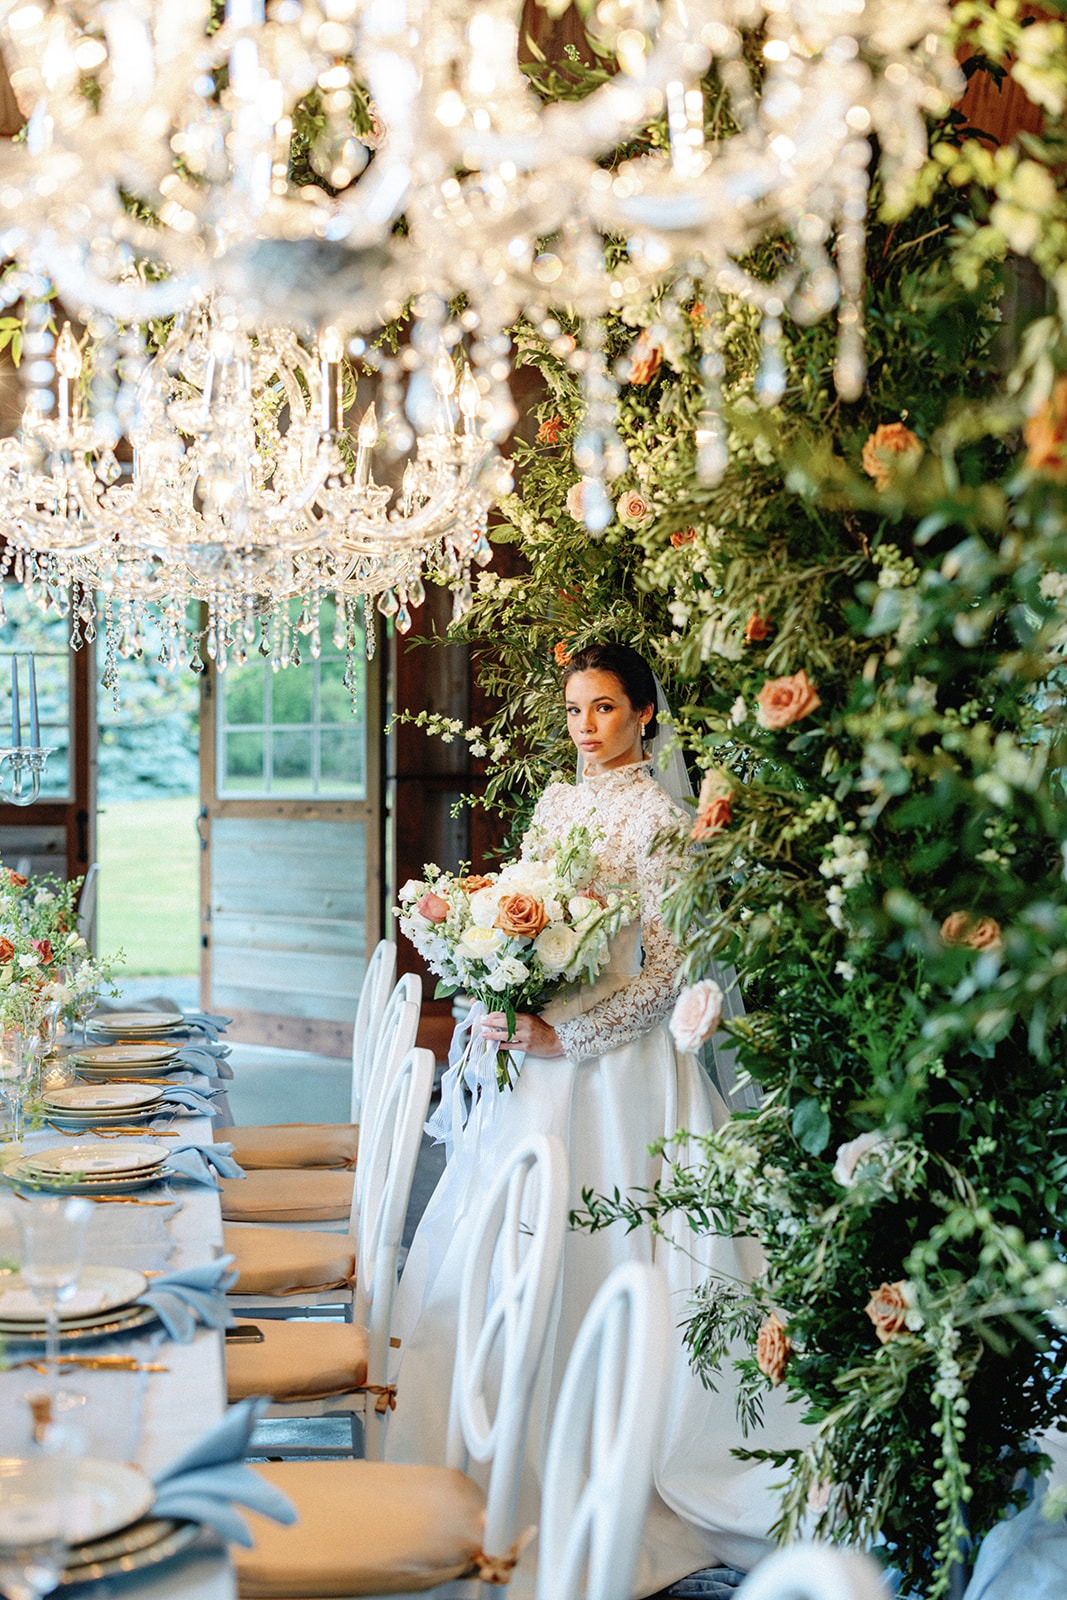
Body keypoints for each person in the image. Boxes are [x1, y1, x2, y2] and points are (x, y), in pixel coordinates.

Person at [386, 642, 797, 1597]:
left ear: (645, 716)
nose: (585, 728)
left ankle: (619, 1448)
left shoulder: (658, 821)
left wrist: (561, 1037)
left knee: (616, 1243)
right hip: (538, 1047)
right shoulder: (557, 804)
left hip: (614, 1073)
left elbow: (660, 974)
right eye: (574, 710)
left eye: (605, 709)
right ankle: (491, 1444)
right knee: (516, 1234)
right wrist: (499, 981)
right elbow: (526, 915)